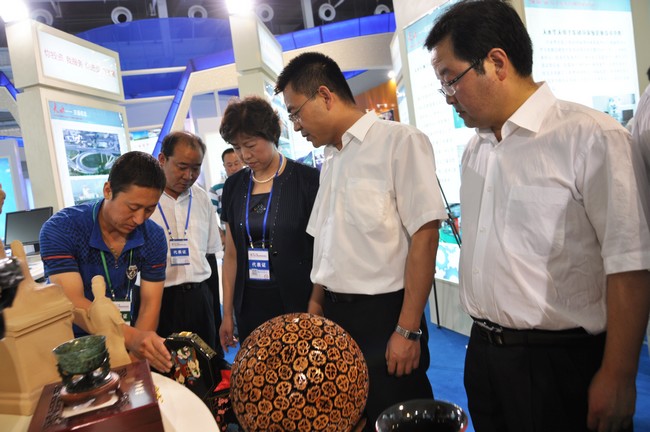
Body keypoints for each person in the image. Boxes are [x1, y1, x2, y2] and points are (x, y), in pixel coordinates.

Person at [424, 2, 650, 431]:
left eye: (450, 79)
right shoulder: (475, 150)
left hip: (558, 364)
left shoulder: (591, 137)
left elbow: (630, 264)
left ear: (497, 63)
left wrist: (620, 374)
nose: (448, 96)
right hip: (484, 355)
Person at [275, 51, 448, 430]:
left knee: (399, 415)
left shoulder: (400, 142)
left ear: (324, 95)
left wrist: (407, 330)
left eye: (295, 113)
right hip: (336, 318)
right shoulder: (331, 159)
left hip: (385, 317)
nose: (296, 126)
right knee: (351, 419)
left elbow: (425, 236)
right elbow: (326, 242)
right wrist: (316, 306)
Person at [40, 151, 173, 372]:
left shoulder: (153, 236)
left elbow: (150, 304)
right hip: (72, 347)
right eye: (133, 208)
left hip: (123, 342)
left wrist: (134, 358)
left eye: (149, 210)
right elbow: (71, 300)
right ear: (108, 190)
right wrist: (131, 337)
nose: (139, 219)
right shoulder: (62, 228)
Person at [218, 95, 319, 351]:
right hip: (250, 304)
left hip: (298, 300)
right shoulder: (233, 186)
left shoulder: (306, 180)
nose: (245, 155)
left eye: (250, 145)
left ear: (272, 135)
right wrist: (227, 313)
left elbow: (323, 251)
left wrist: (316, 303)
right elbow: (231, 255)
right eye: (237, 147)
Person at [147, 131, 224, 355]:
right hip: (160, 302)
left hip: (199, 298)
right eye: (181, 167)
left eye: (196, 168)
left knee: (206, 363)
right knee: (165, 365)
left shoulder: (202, 199)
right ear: (162, 159)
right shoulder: (146, 199)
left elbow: (210, 256)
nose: (189, 175)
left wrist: (216, 314)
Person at [210, 148, 245, 243]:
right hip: (229, 237)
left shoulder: (253, 184)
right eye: (229, 165)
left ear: (242, 162)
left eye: (236, 163)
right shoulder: (216, 189)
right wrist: (221, 235)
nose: (233, 168)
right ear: (224, 166)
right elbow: (208, 216)